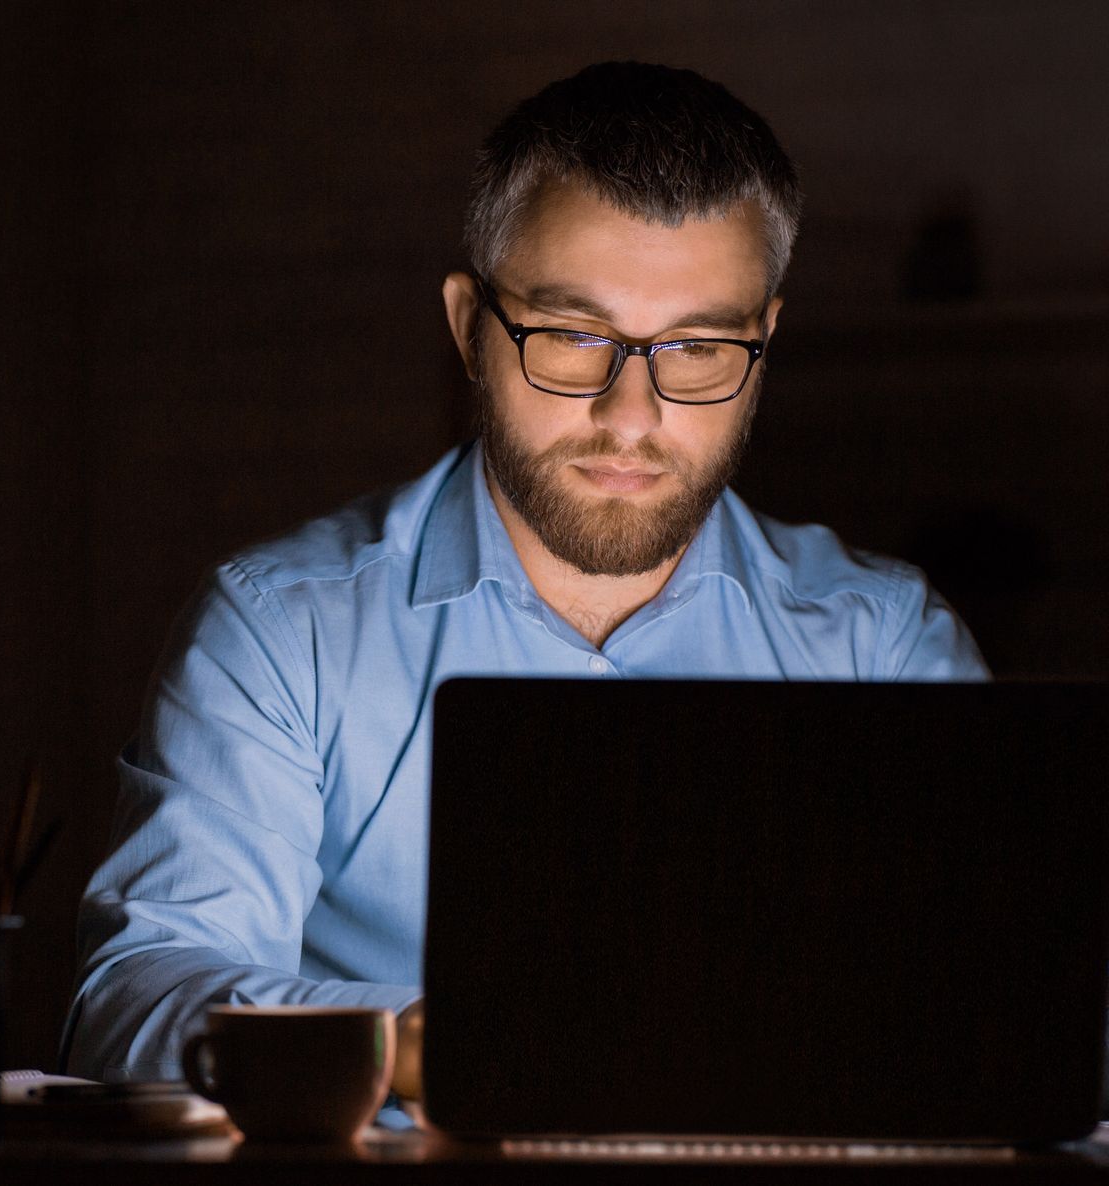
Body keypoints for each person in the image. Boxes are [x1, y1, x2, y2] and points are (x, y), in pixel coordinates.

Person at [60, 62, 988, 1104]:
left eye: (696, 347)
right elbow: (137, 996)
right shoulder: (285, 630)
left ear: (764, 344)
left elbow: (1019, 1006)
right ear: (470, 329)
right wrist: (423, 1044)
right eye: (571, 335)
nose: (631, 412)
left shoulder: (888, 648)